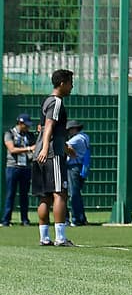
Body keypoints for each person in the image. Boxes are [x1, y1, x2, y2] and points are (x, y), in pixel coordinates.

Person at [32, 68, 74, 247]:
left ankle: (44, 237)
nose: (72, 87)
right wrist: (48, 149)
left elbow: (45, 129)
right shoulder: (56, 102)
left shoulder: (46, 101)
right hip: (52, 155)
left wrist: (65, 146)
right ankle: (60, 238)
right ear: (62, 83)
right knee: (60, 193)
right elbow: (49, 126)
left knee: (44, 196)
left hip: (41, 153)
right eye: (71, 83)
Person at [3, 113, 36, 227]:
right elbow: (11, 149)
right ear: (20, 123)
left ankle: (25, 219)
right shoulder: (9, 134)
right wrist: (28, 149)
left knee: (24, 195)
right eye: (26, 125)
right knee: (10, 194)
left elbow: (34, 148)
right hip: (13, 167)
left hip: (26, 167)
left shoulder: (30, 135)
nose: (28, 127)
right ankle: (6, 220)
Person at [66, 120, 90, 227]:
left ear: (74, 129)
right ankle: (81, 217)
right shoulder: (85, 137)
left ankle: (76, 218)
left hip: (73, 166)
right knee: (77, 193)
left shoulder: (77, 139)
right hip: (80, 166)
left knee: (73, 194)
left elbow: (65, 145)